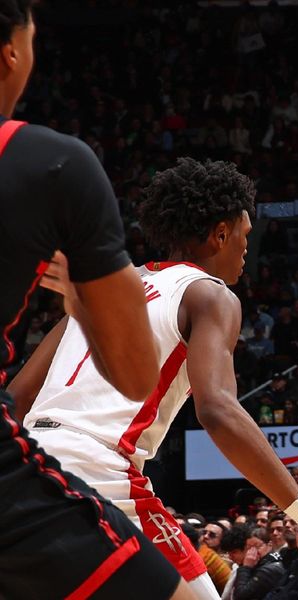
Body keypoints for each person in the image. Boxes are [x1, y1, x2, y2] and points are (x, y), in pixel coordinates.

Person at [10, 158, 298, 599]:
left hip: (26, 465)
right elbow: (217, 410)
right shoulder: (209, 294)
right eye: (244, 236)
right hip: (99, 470)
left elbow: (17, 397)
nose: (244, 250)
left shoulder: (104, 290)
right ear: (221, 233)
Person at [0, 4, 192, 598]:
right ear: (12, 51)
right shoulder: (53, 163)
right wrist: (82, 300)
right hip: (81, 464)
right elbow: (137, 375)